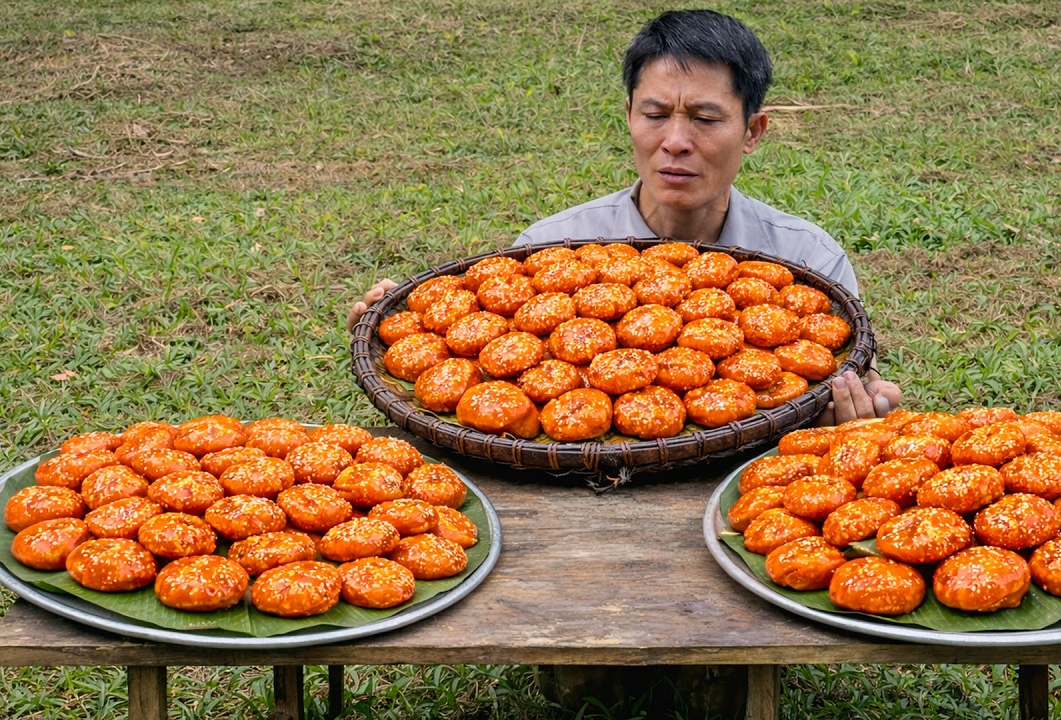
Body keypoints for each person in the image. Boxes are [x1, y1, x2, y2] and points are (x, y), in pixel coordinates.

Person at [347, 10, 900, 425]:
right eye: (655, 115)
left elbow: (854, 381)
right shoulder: (549, 250)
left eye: (706, 119)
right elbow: (495, 381)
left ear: (753, 131)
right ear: (629, 117)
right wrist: (416, 336)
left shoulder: (808, 260)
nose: (676, 142)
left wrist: (859, 413)